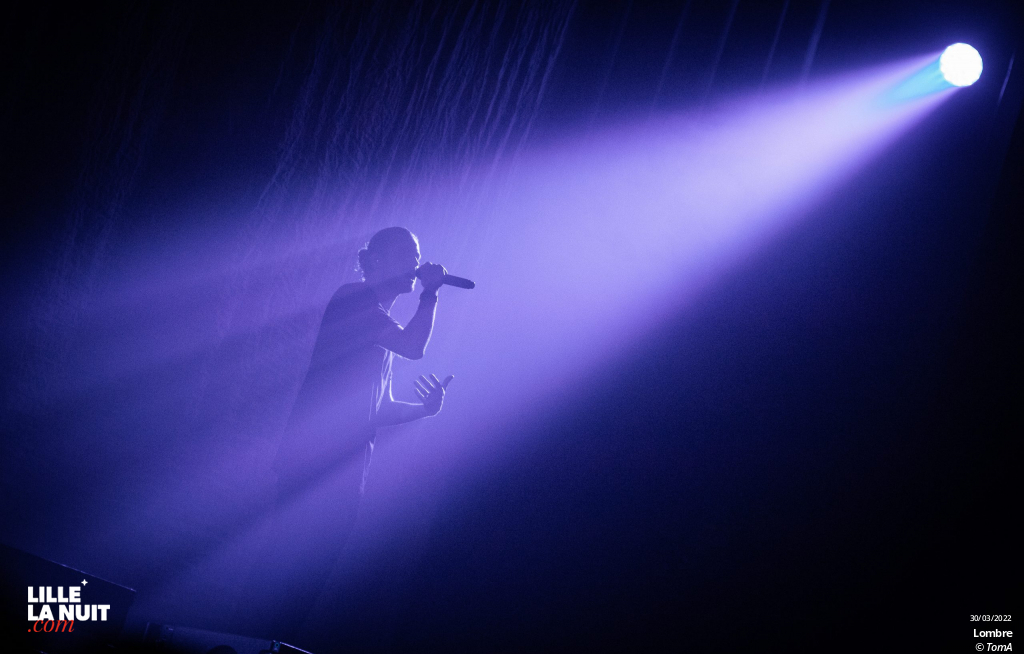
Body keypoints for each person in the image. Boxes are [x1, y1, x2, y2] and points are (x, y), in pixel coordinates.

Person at [240, 227, 453, 643]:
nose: (416, 262)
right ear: (377, 260)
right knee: (281, 573)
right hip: (314, 463)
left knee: (303, 587)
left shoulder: (380, 330)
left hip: (345, 473)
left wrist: (423, 411)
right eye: (408, 253)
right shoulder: (353, 299)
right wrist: (431, 293)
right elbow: (415, 347)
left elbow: (380, 407)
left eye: (418, 254)